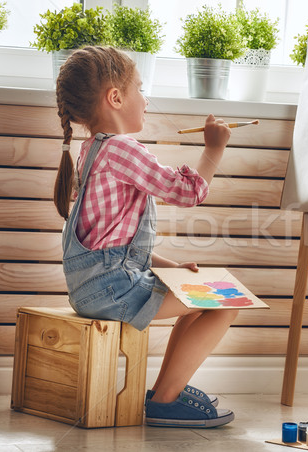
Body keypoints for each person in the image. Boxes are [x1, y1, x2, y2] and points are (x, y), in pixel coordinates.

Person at [54, 46, 238, 428]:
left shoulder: (91, 152)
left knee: (197, 292)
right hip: (115, 292)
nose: (146, 99)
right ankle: (166, 400)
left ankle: (165, 392)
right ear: (116, 98)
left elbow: (110, 244)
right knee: (227, 302)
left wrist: (171, 268)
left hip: (92, 287)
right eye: (139, 89)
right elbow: (187, 193)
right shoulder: (121, 148)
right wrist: (214, 148)